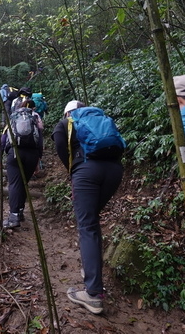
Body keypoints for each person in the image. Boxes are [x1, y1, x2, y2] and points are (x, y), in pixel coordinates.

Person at [52, 100, 123, 315]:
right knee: (91, 222)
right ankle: (91, 270)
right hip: (115, 171)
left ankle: (93, 294)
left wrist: (72, 169)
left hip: (86, 172)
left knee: (87, 226)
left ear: (67, 112)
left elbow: (59, 146)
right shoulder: (100, 118)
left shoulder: (65, 123)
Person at [0, 99, 44, 229]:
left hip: (15, 153)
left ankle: (14, 216)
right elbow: (39, 141)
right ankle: (20, 211)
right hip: (32, 155)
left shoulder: (13, 117)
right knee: (23, 183)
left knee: (15, 184)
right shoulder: (35, 117)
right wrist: (38, 160)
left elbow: (3, 139)